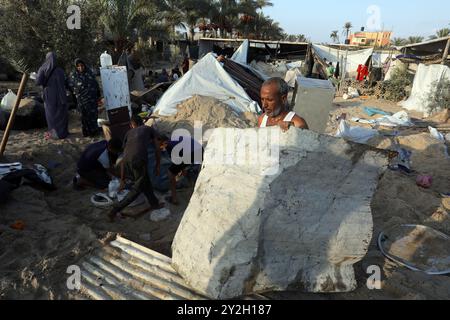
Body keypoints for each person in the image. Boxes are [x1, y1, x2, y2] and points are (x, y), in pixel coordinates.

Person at [108, 120, 164, 220]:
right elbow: (157, 148)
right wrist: (158, 165)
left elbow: (124, 155)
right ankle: (115, 209)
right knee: (137, 188)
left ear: (132, 125)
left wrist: (122, 179)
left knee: (144, 181)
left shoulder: (128, 133)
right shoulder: (149, 129)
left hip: (127, 161)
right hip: (138, 159)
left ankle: (154, 204)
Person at [157, 134, 203, 205]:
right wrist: (181, 170)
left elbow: (177, 161)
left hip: (192, 153)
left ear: (164, 143)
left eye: (159, 145)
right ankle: (188, 180)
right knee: (181, 166)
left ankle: (174, 199)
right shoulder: (175, 140)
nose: (159, 147)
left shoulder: (168, 146)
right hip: (200, 150)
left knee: (170, 173)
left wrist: (176, 173)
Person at [35, 52, 69, 140]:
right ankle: (63, 133)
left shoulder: (42, 69)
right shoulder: (60, 70)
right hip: (61, 95)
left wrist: (35, 77)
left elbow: (38, 82)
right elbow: (66, 82)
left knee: (51, 116)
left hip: (50, 96)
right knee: (61, 115)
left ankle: (55, 134)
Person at [68, 59, 102, 137]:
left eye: (82, 65)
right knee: (84, 117)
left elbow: (96, 85)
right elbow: (70, 87)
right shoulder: (73, 76)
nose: (80, 68)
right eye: (78, 66)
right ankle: (86, 132)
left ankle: (94, 131)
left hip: (92, 100)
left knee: (93, 116)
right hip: (82, 101)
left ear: (84, 65)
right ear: (76, 67)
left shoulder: (90, 73)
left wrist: (98, 96)